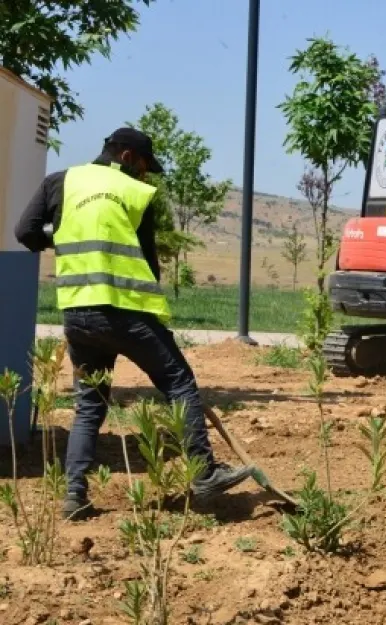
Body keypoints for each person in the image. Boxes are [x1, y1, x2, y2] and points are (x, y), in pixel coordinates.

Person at [14, 127, 256, 520]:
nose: (145, 176)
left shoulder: (60, 182)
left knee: (89, 406)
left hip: (78, 313)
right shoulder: (135, 194)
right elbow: (148, 265)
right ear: (127, 157)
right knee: (179, 383)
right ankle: (205, 474)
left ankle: (75, 497)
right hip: (125, 312)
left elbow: (25, 232)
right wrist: (155, 319)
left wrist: (63, 232)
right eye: (144, 166)